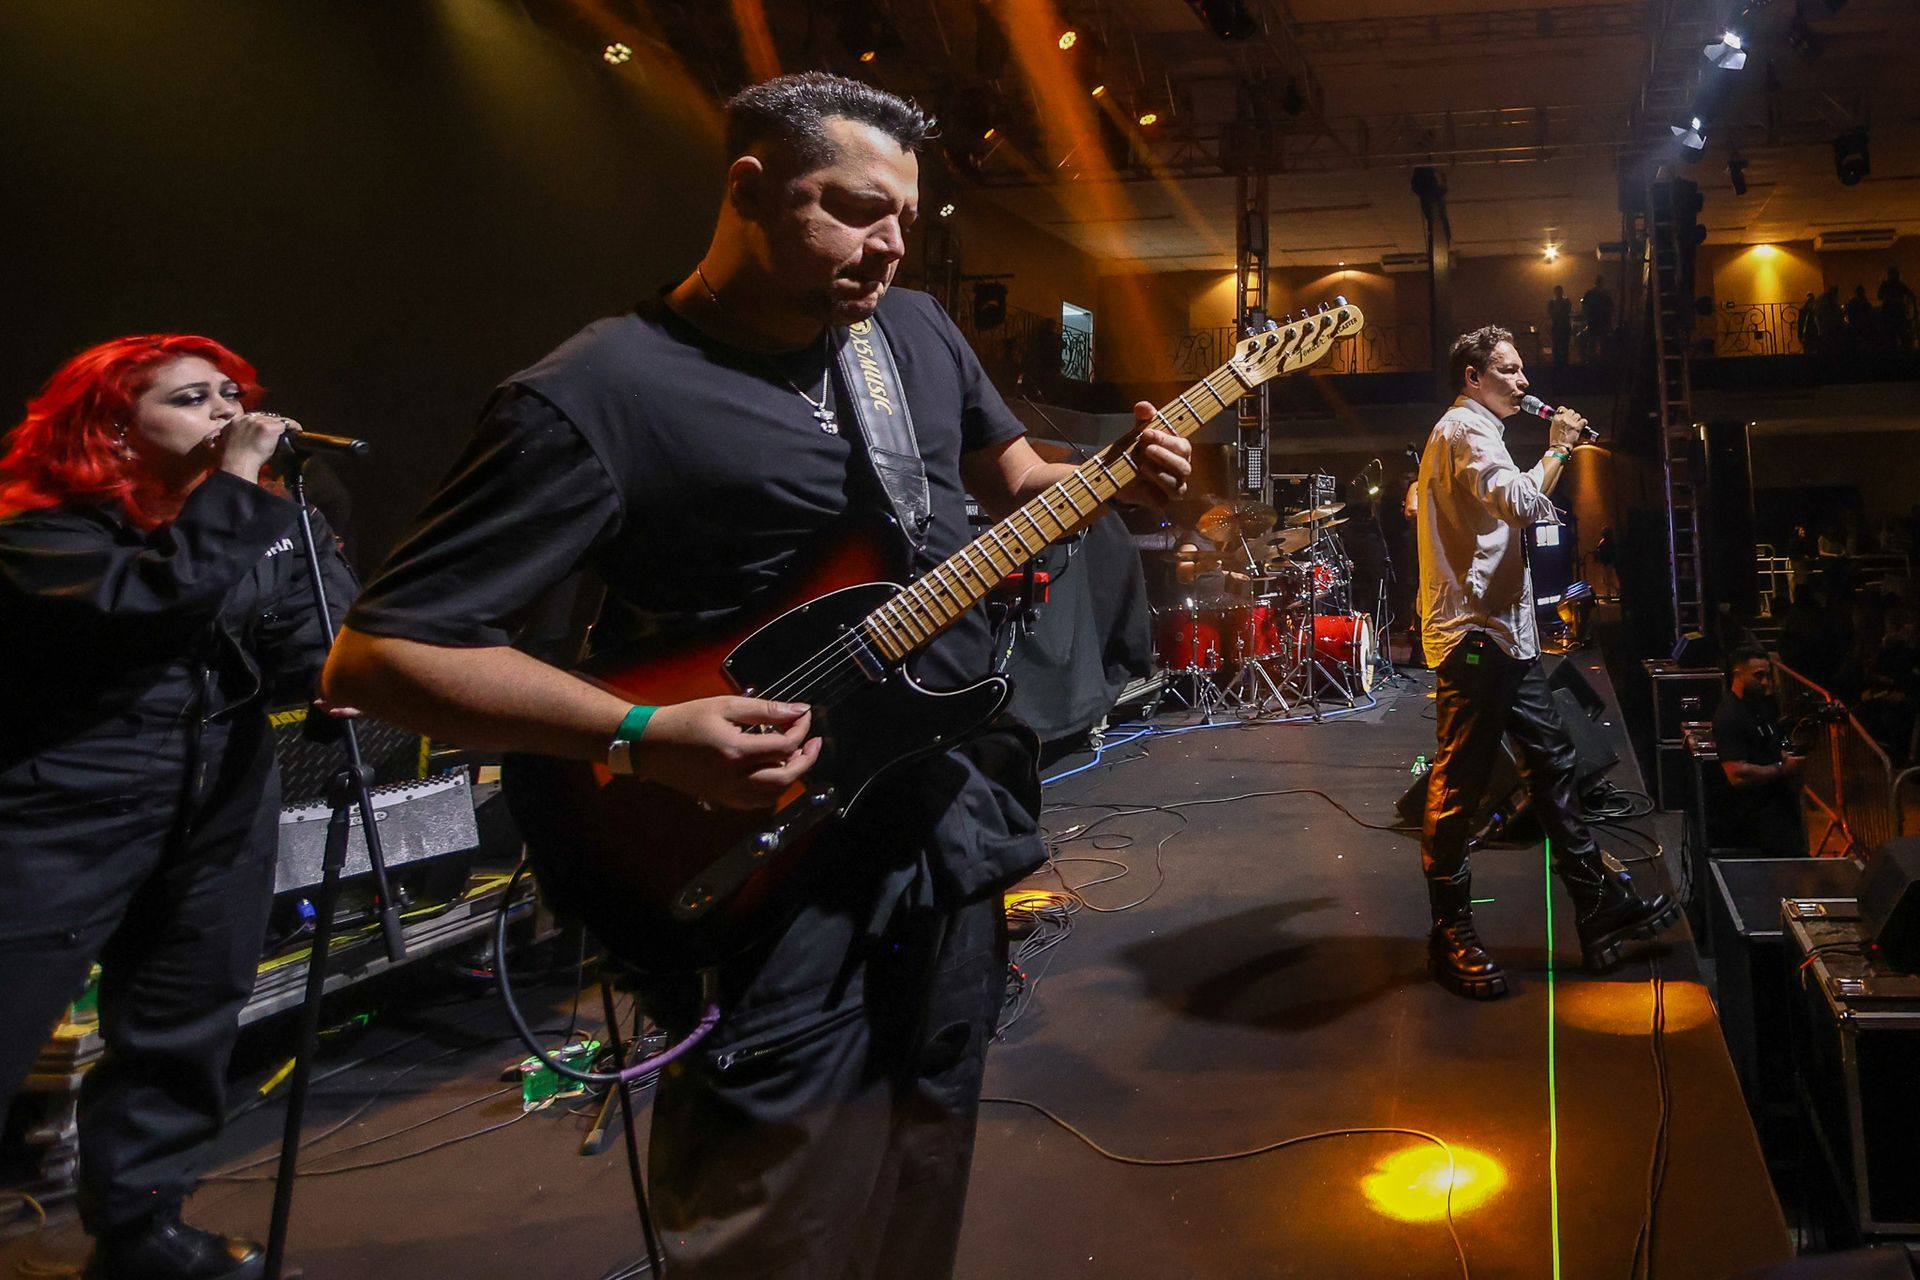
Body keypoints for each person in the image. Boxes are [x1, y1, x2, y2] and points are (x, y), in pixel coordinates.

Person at [321, 73, 1191, 1278]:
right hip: (753, 866)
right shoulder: (598, 393)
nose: (891, 245)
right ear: (748, 189)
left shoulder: (917, 334)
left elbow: (1011, 483)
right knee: (771, 1215)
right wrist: (639, 730)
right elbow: (383, 655)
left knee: (923, 1157)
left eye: (906, 217)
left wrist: (1114, 477)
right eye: (855, 209)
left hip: (934, 822)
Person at [0, 336, 357, 1280]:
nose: (228, 414)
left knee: (183, 1012)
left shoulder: (267, 521)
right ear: (115, 429)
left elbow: (303, 628)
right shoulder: (41, 527)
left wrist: (335, 677)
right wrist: (236, 488)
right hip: (62, 798)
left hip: (222, 792)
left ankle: (141, 1225)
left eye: (233, 395)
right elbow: (157, 604)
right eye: (193, 398)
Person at [1413, 325, 1676, 999]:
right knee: (1459, 789)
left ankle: (1598, 904)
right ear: (1474, 378)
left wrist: (1549, 455)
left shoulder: (1479, 434)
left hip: (1508, 636)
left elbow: (1505, 503)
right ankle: (1449, 933)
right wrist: (1558, 447)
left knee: (1554, 766)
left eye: (1522, 370)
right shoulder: (1465, 432)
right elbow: (1529, 505)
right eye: (1510, 370)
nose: (1525, 381)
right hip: (1476, 639)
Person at [1713, 649, 1808, 857]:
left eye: (1767, 675)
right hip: (1757, 819)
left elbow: (1768, 745)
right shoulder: (1729, 715)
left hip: (1781, 809)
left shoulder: (1762, 706)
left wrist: (1784, 756)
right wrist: (1782, 769)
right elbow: (1736, 773)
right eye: (1758, 675)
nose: (1765, 682)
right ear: (1738, 674)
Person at [1878, 265, 1916, 352]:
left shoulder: (1894, 285)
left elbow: (1880, 296)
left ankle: (1897, 354)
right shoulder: (1896, 285)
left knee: (1895, 336)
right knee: (1895, 336)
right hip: (1894, 314)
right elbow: (1880, 296)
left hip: (1893, 314)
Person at [1579, 275, 1613, 364]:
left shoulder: (1590, 293)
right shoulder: (1605, 294)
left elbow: (1585, 306)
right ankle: (1601, 360)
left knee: (1592, 341)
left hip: (1593, 320)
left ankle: (1592, 360)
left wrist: (1586, 317)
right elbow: (1610, 307)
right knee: (1602, 341)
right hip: (1602, 321)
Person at [1547, 285, 1572, 373]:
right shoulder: (1564, 302)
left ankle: (1561, 362)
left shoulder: (1556, 302)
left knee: (1562, 345)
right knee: (1558, 345)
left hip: (1561, 325)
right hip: (1559, 325)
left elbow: (1550, 312)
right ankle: (1560, 362)